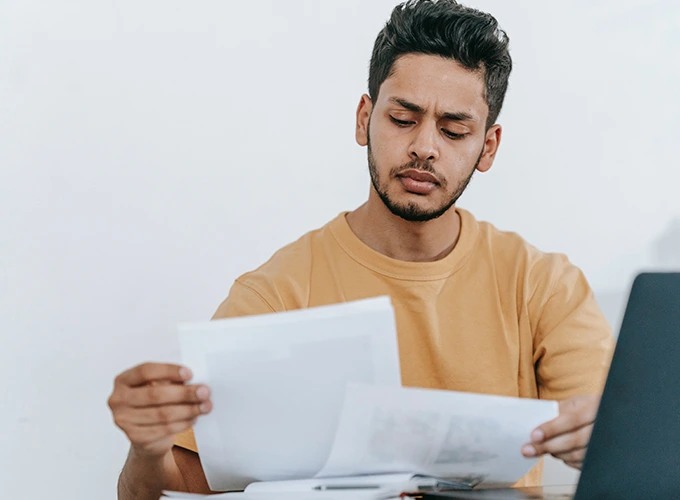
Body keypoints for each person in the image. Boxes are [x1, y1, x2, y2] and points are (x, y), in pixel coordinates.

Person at [107, 1, 614, 498]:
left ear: (488, 147)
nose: (425, 147)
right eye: (402, 119)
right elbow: (169, 483)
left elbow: (618, 445)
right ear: (363, 119)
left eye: (454, 129)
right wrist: (147, 450)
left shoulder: (543, 285)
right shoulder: (277, 294)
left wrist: (606, 437)